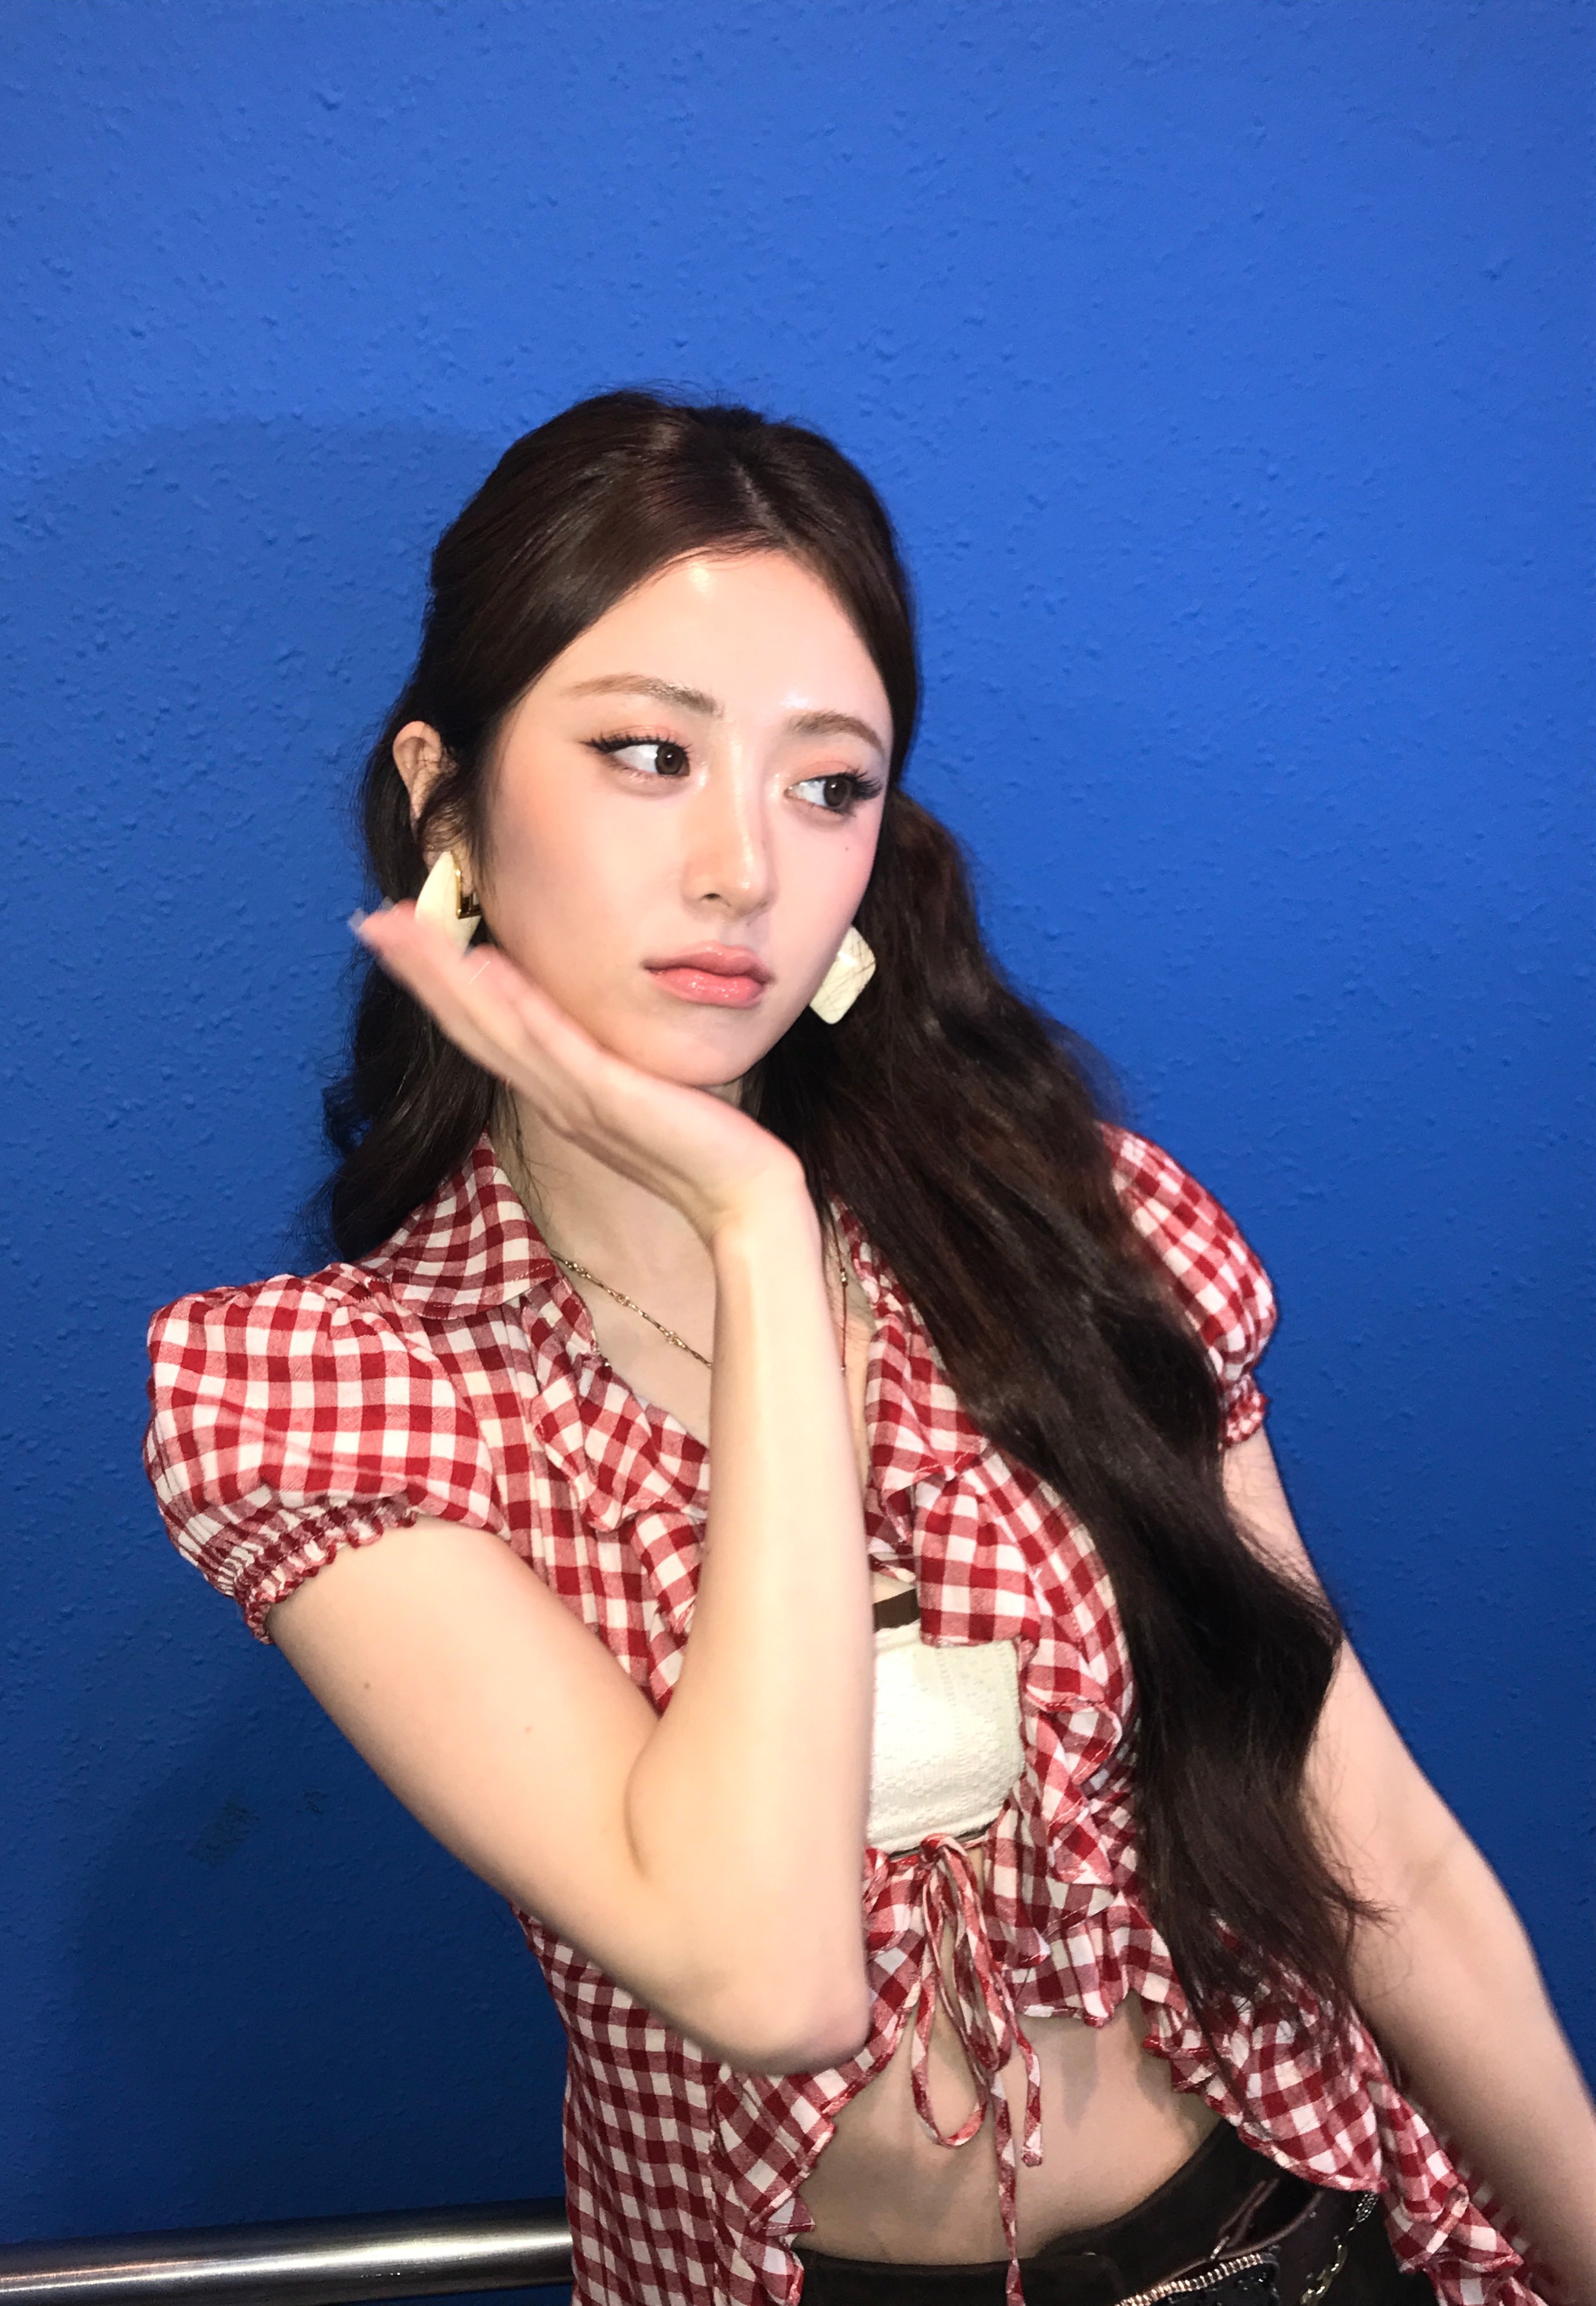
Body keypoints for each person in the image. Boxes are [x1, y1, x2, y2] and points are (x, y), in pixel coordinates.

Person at [142, 391, 1594, 2306]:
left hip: (1286, 2235)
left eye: (828, 785)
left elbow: (1380, 1850)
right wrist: (752, 1228)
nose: (743, 867)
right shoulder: (336, 1394)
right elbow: (766, 1978)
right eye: (648, 754)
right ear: (446, 796)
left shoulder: (1078, 1230)